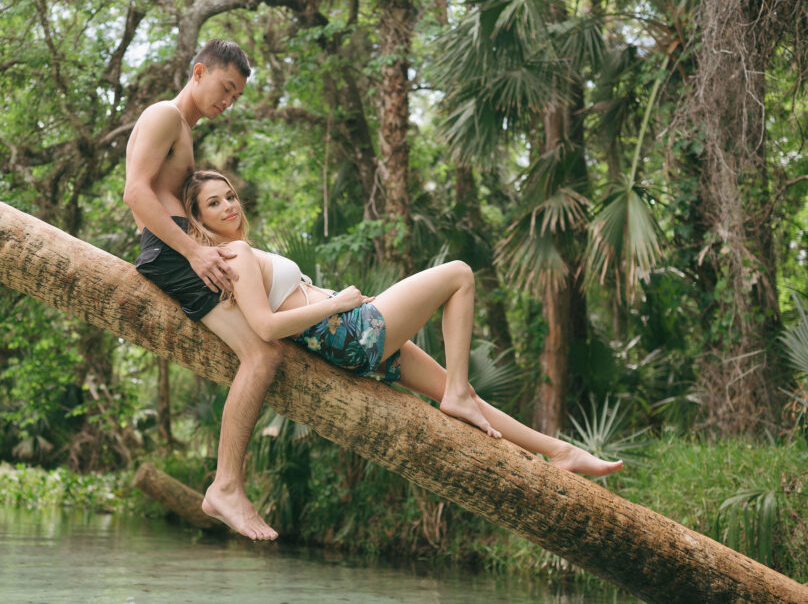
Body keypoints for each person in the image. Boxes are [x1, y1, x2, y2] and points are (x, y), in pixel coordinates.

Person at [181, 169, 625, 477]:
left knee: (464, 392)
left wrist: (334, 302)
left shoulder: (238, 255)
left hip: (350, 338)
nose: (228, 206)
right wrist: (338, 305)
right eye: (213, 203)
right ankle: (456, 395)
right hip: (350, 330)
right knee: (459, 274)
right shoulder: (234, 255)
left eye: (231, 196)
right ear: (198, 220)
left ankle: (560, 452)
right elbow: (264, 327)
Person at [123, 40, 281, 541]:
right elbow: (135, 192)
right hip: (170, 254)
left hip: (178, 250)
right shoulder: (164, 116)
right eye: (225, 87)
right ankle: (226, 487)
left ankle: (228, 484)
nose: (228, 101)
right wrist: (192, 252)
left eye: (236, 96)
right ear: (198, 72)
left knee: (266, 348)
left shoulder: (184, 130)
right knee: (262, 354)